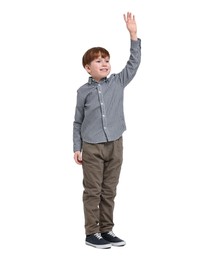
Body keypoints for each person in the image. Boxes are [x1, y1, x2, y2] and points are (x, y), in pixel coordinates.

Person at [73, 12, 141, 249]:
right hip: (91, 146)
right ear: (87, 68)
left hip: (115, 143)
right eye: (98, 60)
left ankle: (106, 229)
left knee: (109, 189)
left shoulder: (117, 82)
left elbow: (133, 63)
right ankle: (92, 233)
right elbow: (77, 122)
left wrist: (133, 36)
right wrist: (77, 148)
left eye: (106, 59)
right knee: (93, 190)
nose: (104, 63)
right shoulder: (83, 92)